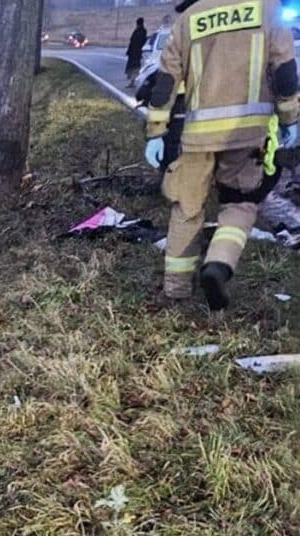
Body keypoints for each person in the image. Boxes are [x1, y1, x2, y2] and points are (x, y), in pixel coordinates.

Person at [143, 0, 300, 311]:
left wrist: (157, 130)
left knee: (187, 207)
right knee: (239, 204)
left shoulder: (190, 16)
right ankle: (217, 264)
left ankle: (176, 288)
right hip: (248, 133)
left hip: (198, 133)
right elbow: (284, 70)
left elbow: (167, 79)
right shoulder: (266, 8)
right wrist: (289, 119)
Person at [126, 17, 148, 88]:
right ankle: (132, 81)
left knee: (134, 67)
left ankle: (133, 82)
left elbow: (133, 41)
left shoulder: (139, 31)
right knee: (134, 67)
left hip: (135, 52)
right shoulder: (142, 31)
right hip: (136, 52)